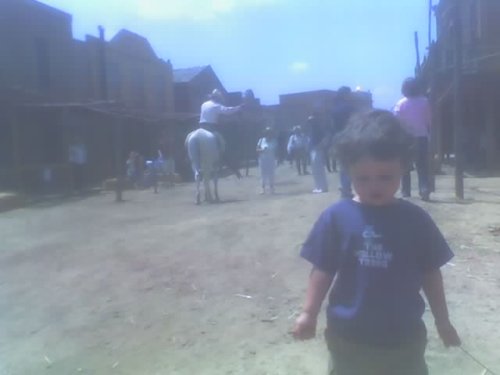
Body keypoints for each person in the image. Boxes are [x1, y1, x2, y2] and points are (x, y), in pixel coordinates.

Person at [292, 110, 461, 375]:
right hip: (348, 338)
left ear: (403, 168)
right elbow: (322, 269)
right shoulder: (336, 217)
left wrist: (443, 321)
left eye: (385, 177)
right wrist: (308, 313)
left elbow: (431, 274)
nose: (374, 186)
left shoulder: (415, 220)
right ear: (348, 172)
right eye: (362, 178)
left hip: (404, 340)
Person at [394, 77, 432, 201]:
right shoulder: (425, 101)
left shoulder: (400, 104)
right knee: (422, 165)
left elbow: (397, 122)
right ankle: (424, 188)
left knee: (405, 165)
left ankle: (406, 191)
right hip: (422, 136)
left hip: (405, 137)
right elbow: (428, 120)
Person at [332, 86, 356, 198]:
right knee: (353, 163)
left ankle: (345, 187)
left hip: (338, 138)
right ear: (345, 95)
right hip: (350, 137)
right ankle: (348, 187)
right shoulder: (350, 108)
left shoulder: (334, 109)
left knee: (343, 164)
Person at [307, 115, 328, 193]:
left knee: (319, 169)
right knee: (315, 170)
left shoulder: (318, 129)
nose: (310, 123)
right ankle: (319, 186)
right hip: (313, 151)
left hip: (317, 150)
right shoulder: (312, 130)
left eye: (311, 121)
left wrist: (320, 146)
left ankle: (322, 187)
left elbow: (325, 138)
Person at [256, 127, 277, 194]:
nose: (268, 134)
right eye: (267, 133)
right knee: (263, 174)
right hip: (263, 159)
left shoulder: (274, 141)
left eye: (270, 133)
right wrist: (262, 150)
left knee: (271, 174)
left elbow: (276, 150)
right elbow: (257, 150)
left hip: (271, 159)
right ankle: (263, 188)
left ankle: (271, 188)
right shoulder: (261, 140)